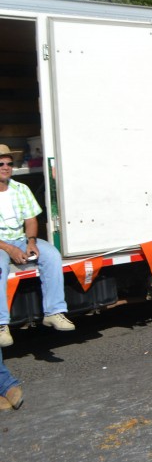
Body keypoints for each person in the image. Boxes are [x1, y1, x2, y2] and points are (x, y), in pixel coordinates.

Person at [0, 145, 75, 347]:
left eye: (9, 163)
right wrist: (10, 249)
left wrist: (31, 242)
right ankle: (1, 325)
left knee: (51, 254)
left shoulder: (20, 188)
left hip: (20, 238)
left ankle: (54, 312)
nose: (6, 167)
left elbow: (31, 220)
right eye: (1, 163)